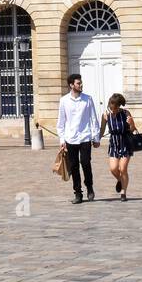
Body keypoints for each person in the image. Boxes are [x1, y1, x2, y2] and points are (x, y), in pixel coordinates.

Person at [56, 74, 100, 204]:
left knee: (86, 163)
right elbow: (61, 122)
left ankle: (90, 187)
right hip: (70, 138)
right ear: (71, 85)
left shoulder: (88, 99)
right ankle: (78, 193)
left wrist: (96, 137)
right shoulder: (64, 100)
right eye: (78, 83)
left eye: (81, 83)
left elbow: (93, 119)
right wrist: (62, 140)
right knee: (74, 166)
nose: (80, 85)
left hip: (85, 137)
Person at [100, 94, 137, 201]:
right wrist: (96, 139)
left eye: (115, 108)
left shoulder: (126, 113)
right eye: (111, 108)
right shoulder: (106, 115)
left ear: (119, 106)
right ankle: (121, 180)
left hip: (125, 143)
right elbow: (102, 130)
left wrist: (131, 124)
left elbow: (133, 129)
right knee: (113, 169)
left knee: (123, 168)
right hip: (114, 144)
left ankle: (123, 193)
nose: (113, 111)